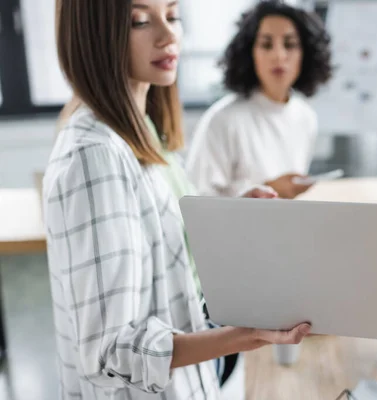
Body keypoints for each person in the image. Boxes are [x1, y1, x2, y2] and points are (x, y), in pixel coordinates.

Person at [45, 1, 311, 399]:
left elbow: (165, 246)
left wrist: (229, 216)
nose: (168, 35)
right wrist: (245, 335)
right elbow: (108, 352)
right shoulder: (94, 157)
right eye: (139, 20)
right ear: (93, 33)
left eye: (172, 15)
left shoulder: (144, 128)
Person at [185, 0, 333, 199]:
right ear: (250, 53)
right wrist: (264, 191)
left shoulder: (305, 117)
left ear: (305, 54)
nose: (279, 55)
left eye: (290, 45)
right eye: (266, 44)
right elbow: (197, 202)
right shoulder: (223, 119)